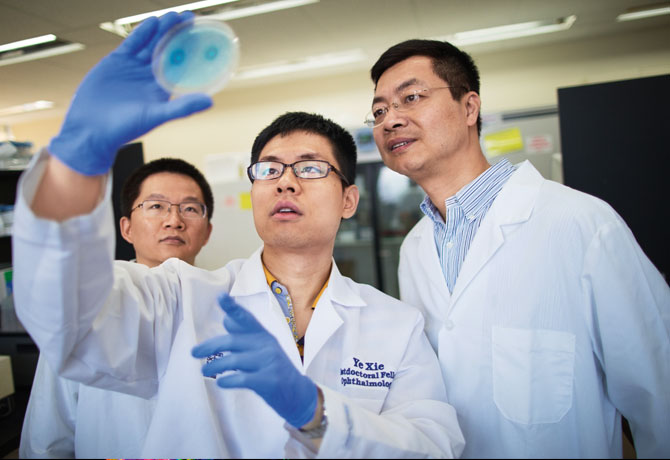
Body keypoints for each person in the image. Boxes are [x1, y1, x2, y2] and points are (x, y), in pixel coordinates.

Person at [11, 12, 464, 458]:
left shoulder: (397, 325)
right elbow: (71, 321)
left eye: (309, 168)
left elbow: (433, 446)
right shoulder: (181, 296)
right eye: (269, 170)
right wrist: (76, 158)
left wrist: (316, 412)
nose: (285, 182)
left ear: (349, 200)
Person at [367, 38, 670, 458]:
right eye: (380, 111)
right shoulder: (414, 249)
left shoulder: (579, 223)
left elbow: (659, 393)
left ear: (469, 107)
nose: (390, 120)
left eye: (411, 98)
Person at [19, 157, 214, 458]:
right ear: (126, 229)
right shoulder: (86, 312)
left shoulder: (226, 308)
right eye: (156, 206)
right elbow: (47, 437)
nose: (174, 220)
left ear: (207, 232)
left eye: (190, 208)